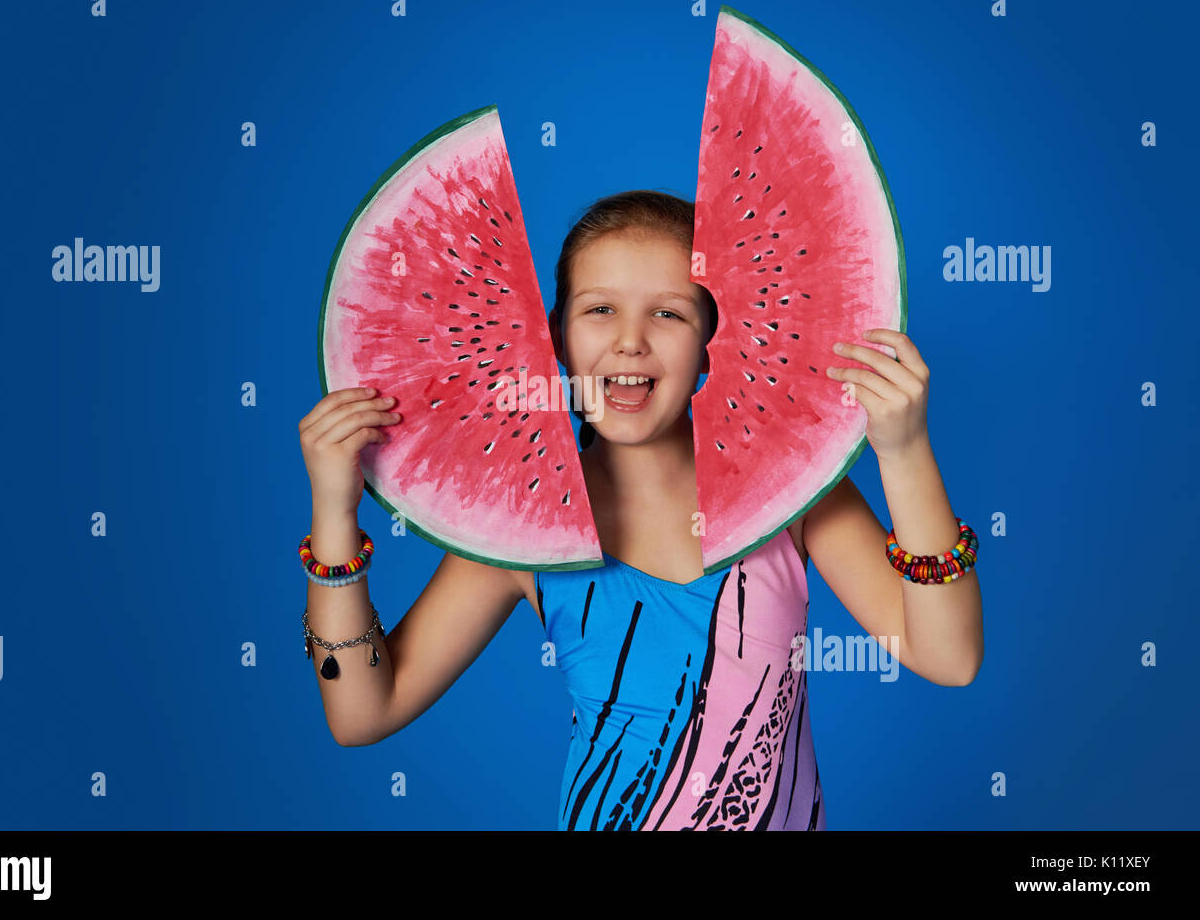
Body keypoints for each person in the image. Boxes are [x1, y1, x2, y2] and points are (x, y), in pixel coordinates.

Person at [297, 189, 984, 830]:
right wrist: (334, 517)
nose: (631, 340)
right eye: (599, 309)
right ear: (556, 336)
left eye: (669, 312)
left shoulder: (794, 496)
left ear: (714, 339)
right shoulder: (529, 532)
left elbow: (947, 656)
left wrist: (904, 451)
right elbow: (362, 711)